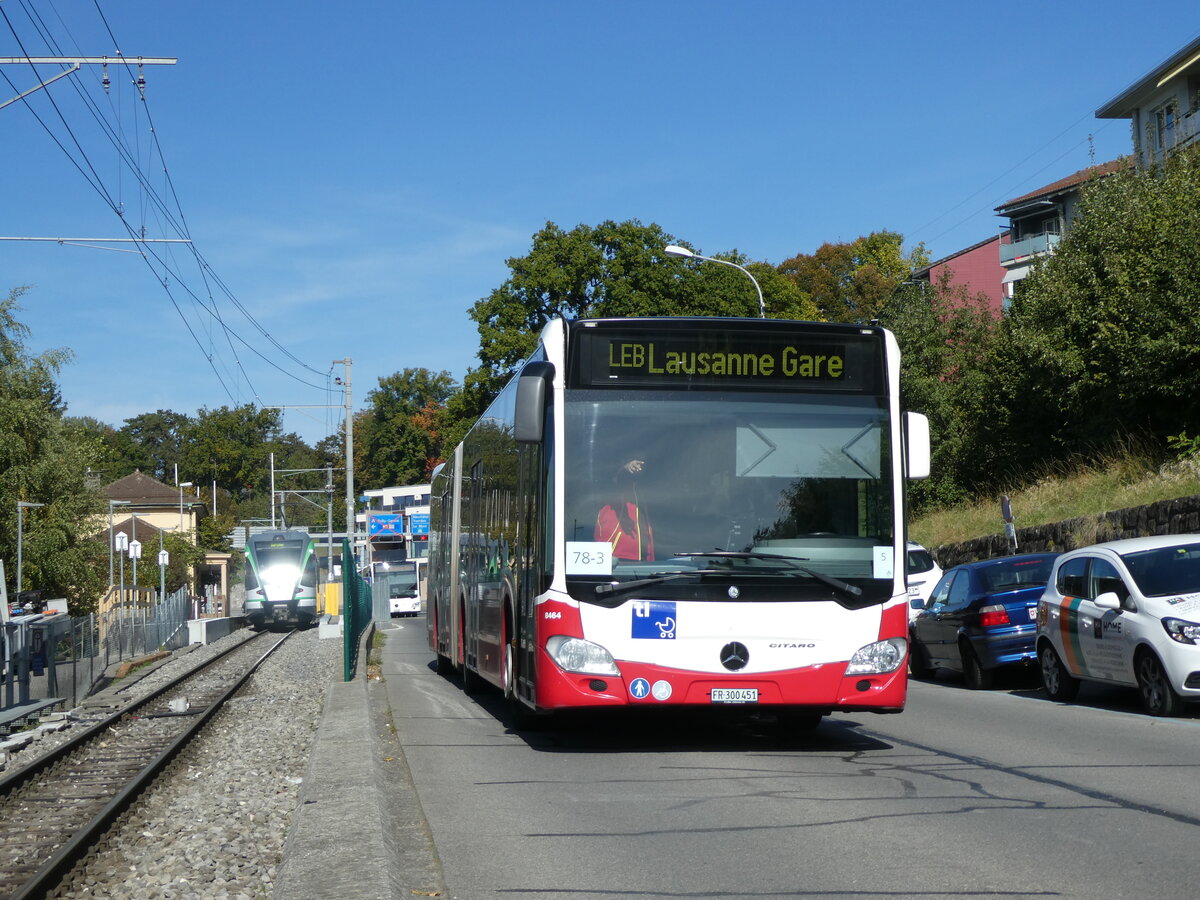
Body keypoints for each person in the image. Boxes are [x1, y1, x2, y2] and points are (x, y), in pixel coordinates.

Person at [595, 458, 655, 561]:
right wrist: (625, 470)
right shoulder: (611, 492)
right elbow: (617, 480)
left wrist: (651, 562)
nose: (637, 467)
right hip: (613, 559)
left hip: (643, 564)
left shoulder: (644, 500)